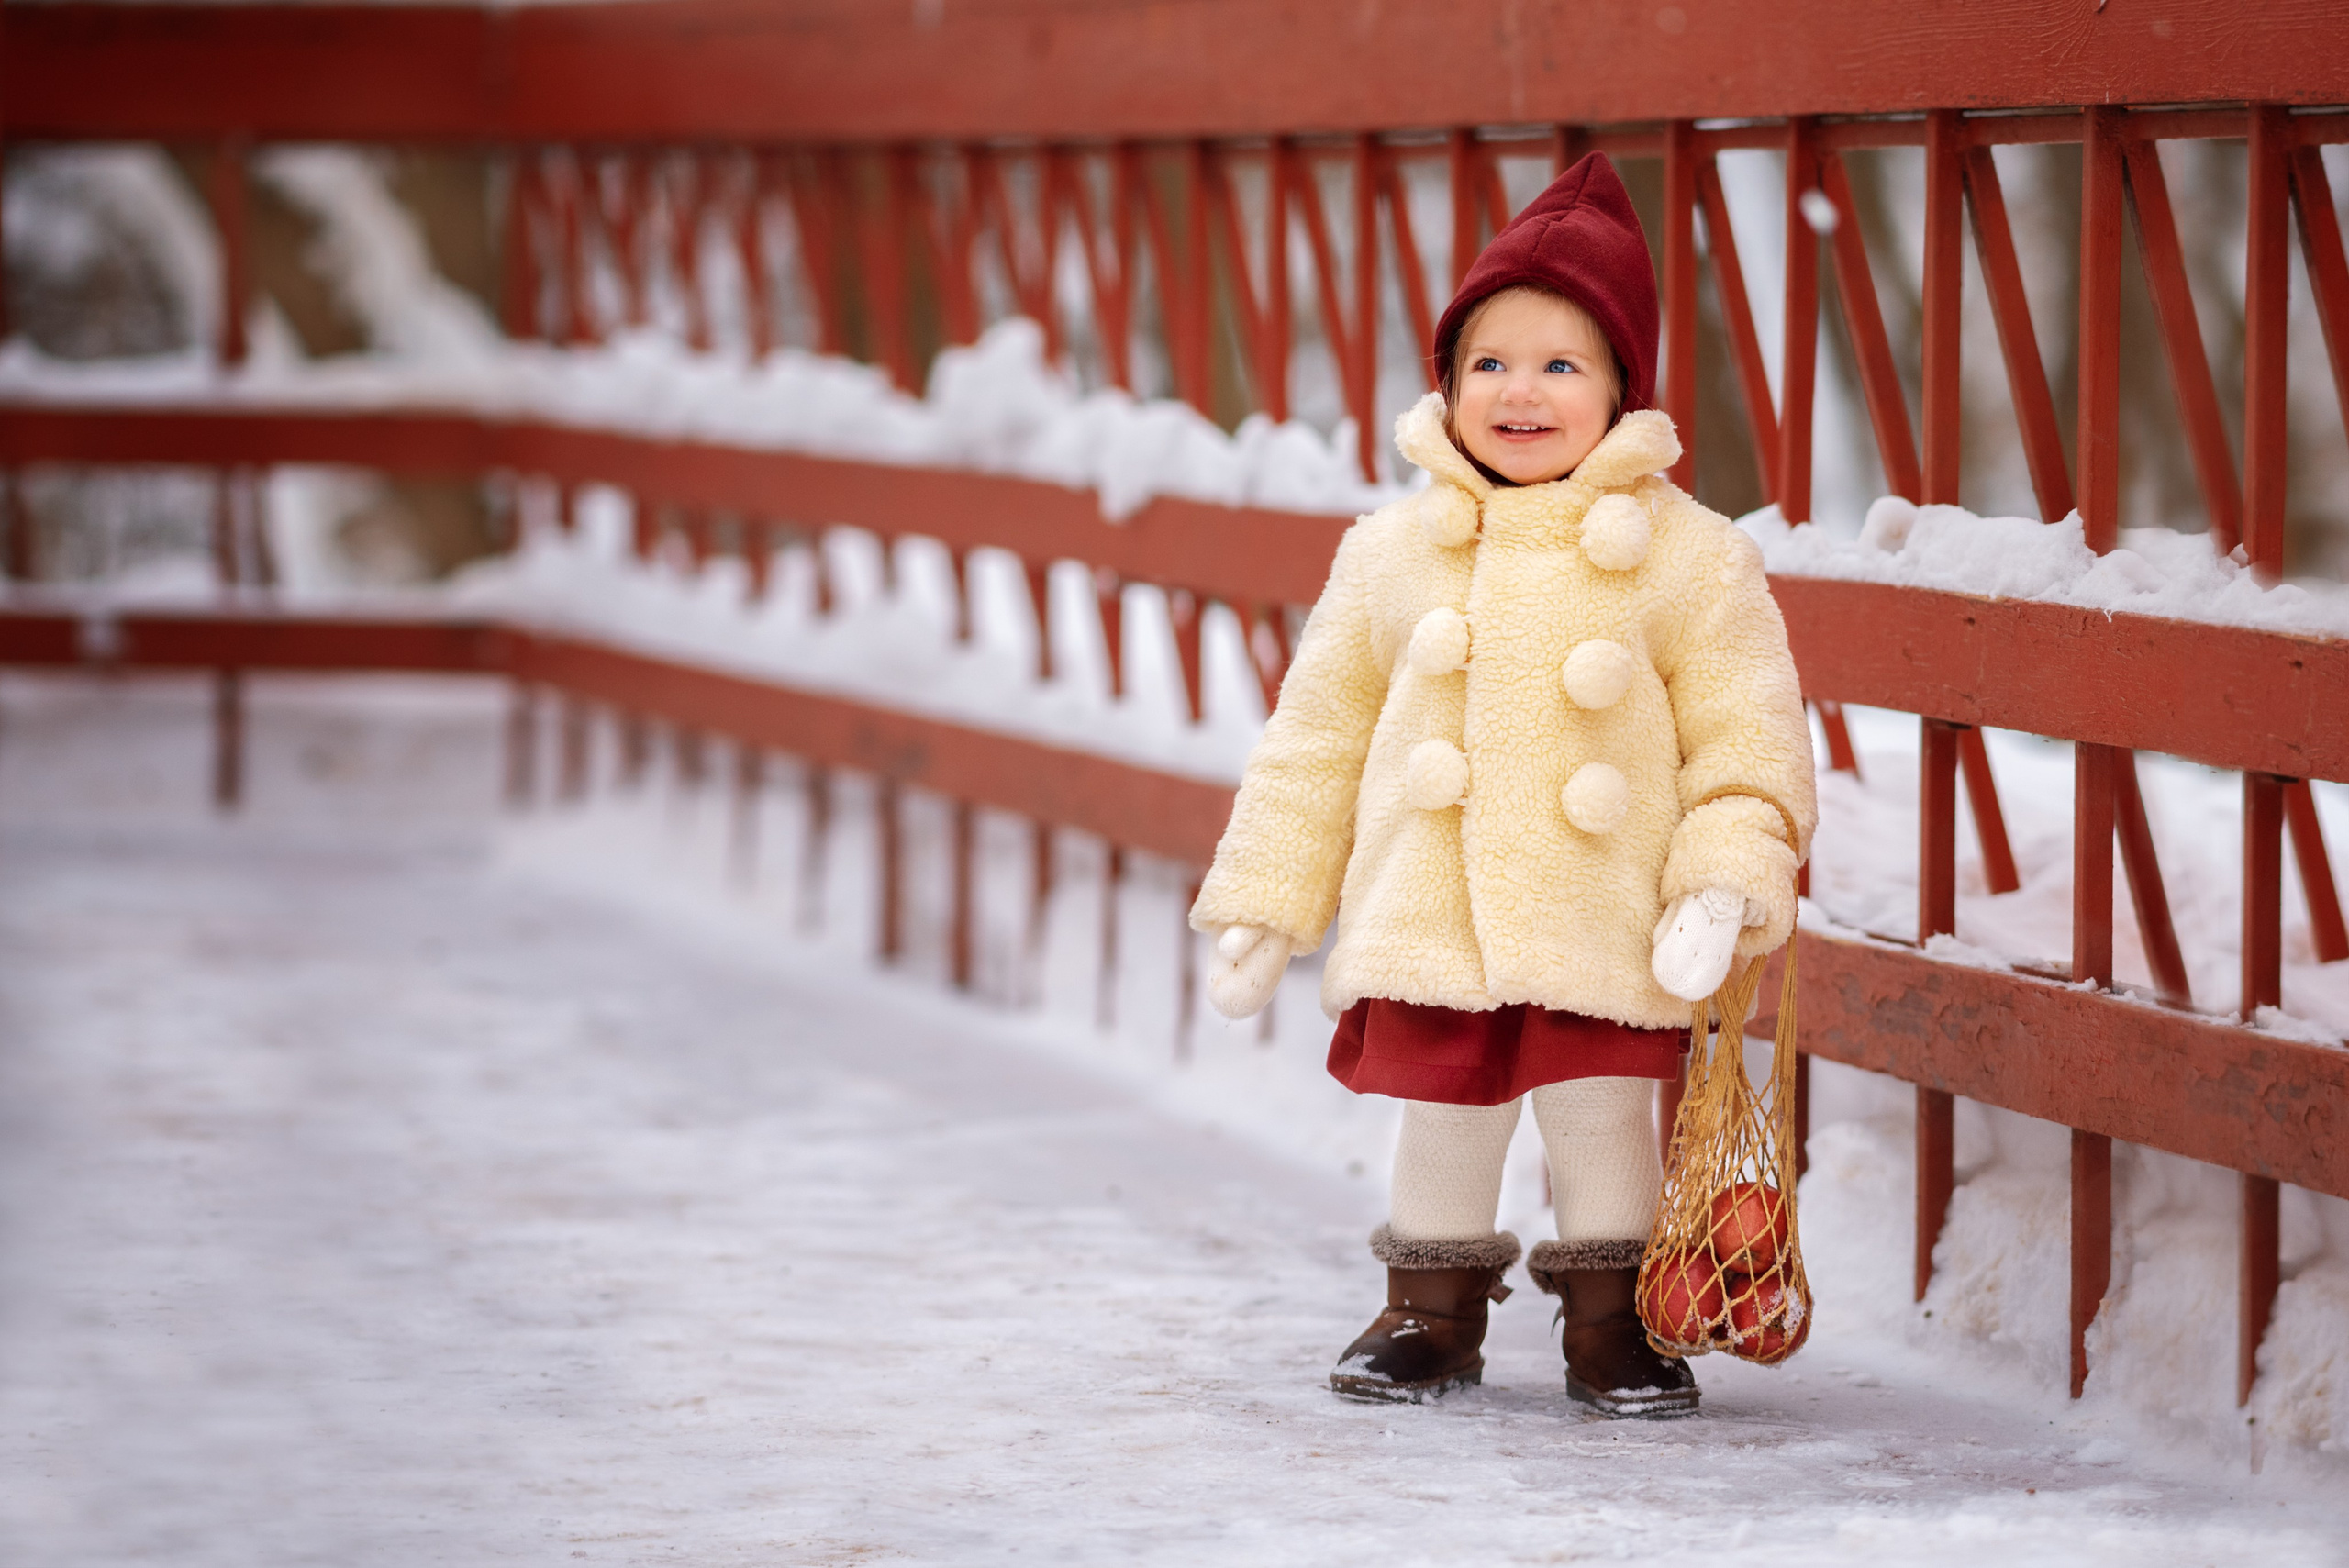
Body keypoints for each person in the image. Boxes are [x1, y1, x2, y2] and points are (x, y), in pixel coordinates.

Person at [1187, 155, 1816, 1418]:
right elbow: (1315, 736)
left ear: (1620, 387)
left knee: (1595, 1113)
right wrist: (1266, 898)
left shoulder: (1691, 560)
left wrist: (1722, 878)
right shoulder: (1389, 554)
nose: (1520, 391)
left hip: (1602, 899)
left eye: (1560, 365)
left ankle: (1615, 1321)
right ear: (1447, 383)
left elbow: (1749, 740)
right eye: (1490, 363)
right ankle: (1430, 1309)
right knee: (1448, 1107)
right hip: (1434, 902)